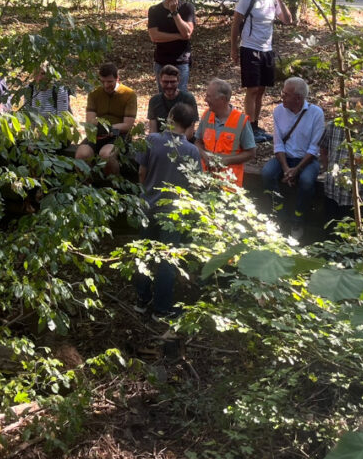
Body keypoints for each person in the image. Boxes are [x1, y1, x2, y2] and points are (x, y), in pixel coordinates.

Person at [133, 103, 202, 320]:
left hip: (148, 205)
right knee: (167, 259)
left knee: (144, 253)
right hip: (174, 213)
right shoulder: (191, 150)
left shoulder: (152, 140)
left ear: (169, 117)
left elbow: (141, 172)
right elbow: (195, 184)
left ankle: (141, 299)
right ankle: (162, 308)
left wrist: (146, 193)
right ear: (191, 125)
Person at [230, 0, 294, 144]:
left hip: (267, 50)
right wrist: (234, 49)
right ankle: (249, 128)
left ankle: (255, 125)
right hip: (249, 48)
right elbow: (236, 24)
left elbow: (288, 20)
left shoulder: (273, 0)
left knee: (261, 90)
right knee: (252, 89)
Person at [260, 77, 325, 238]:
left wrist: (297, 169)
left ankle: (298, 218)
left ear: (298, 98)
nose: (282, 97)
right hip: (285, 158)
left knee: (307, 181)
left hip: (307, 159)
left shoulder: (316, 113)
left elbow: (314, 147)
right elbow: (278, 144)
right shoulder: (278, 111)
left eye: (285, 94)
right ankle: (279, 213)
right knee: (267, 173)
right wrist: (286, 169)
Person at [319, 91, 363, 224]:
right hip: (333, 194)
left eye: (355, 104)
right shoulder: (333, 127)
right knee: (331, 235)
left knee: (357, 237)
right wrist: (328, 170)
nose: (351, 108)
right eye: (348, 104)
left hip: (362, 198)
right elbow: (323, 148)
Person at [76, 62, 137, 177]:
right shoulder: (94, 94)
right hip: (98, 133)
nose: (106, 85)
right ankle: (86, 188)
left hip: (120, 135)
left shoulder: (129, 94)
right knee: (81, 155)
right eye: (102, 81)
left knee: (106, 155)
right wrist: (100, 129)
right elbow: (90, 120)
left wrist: (110, 129)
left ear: (117, 79)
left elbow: (127, 125)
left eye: (109, 82)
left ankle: (112, 189)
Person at [195, 78, 256, 187]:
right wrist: (204, 155)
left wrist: (226, 160)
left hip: (228, 184)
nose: (205, 100)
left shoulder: (241, 121)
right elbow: (198, 142)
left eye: (209, 96)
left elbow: (251, 153)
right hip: (204, 179)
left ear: (222, 99)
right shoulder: (206, 115)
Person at [148, 0, 195, 93]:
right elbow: (154, 37)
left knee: (180, 96)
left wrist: (174, 13)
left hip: (181, 60)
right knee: (163, 96)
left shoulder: (187, 8)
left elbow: (187, 33)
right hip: (161, 60)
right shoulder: (155, 10)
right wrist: (179, 36)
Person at [147, 65, 198, 135]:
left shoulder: (188, 99)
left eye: (172, 82)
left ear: (178, 81)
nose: (169, 86)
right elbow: (153, 131)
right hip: (161, 141)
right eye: (165, 82)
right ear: (160, 81)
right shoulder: (154, 100)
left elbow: (190, 130)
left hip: (183, 142)